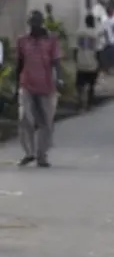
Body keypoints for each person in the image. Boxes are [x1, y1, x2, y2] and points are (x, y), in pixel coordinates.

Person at [15, 10, 63, 168]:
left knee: (46, 122)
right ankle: (29, 153)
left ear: (41, 23)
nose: (32, 26)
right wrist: (16, 84)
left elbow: (56, 61)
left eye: (35, 22)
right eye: (30, 23)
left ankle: (42, 155)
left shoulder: (51, 40)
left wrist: (60, 78)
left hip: (46, 86)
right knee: (25, 117)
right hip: (27, 84)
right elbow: (19, 63)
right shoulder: (22, 40)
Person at [74, 14, 101, 111]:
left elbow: (75, 49)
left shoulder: (79, 33)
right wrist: (99, 63)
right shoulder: (95, 34)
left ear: (85, 22)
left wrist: (76, 60)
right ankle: (89, 103)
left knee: (79, 85)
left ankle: (81, 102)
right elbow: (98, 50)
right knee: (91, 85)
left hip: (81, 62)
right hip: (92, 63)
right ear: (93, 22)